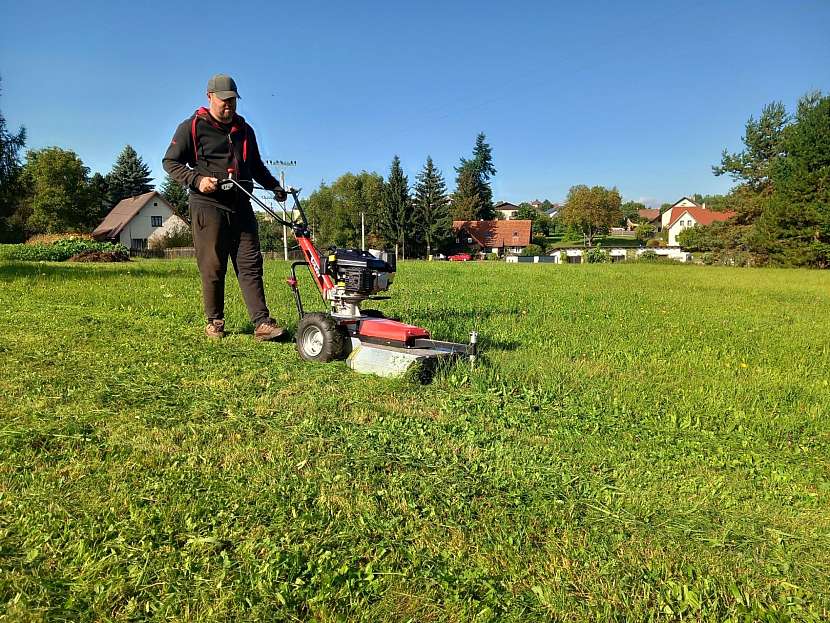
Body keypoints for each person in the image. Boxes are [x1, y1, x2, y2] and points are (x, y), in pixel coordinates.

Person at [163, 74, 288, 340]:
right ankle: (215, 321)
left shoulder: (245, 130)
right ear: (210, 97)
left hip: (241, 203)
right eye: (223, 100)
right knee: (213, 264)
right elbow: (170, 162)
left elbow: (255, 166)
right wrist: (196, 180)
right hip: (208, 205)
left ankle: (262, 323)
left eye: (232, 100)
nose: (228, 106)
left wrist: (275, 186)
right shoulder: (192, 127)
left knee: (251, 264)